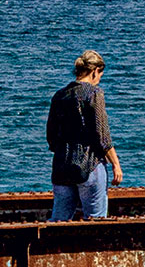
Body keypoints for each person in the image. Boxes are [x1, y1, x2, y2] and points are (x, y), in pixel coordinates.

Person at [47, 50, 123, 221]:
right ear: (95, 71)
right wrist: (116, 164)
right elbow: (102, 136)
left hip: (61, 166)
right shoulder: (94, 93)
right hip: (89, 165)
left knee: (59, 220)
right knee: (95, 220)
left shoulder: (59, 96)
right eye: (100, 74)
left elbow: (51, 138)